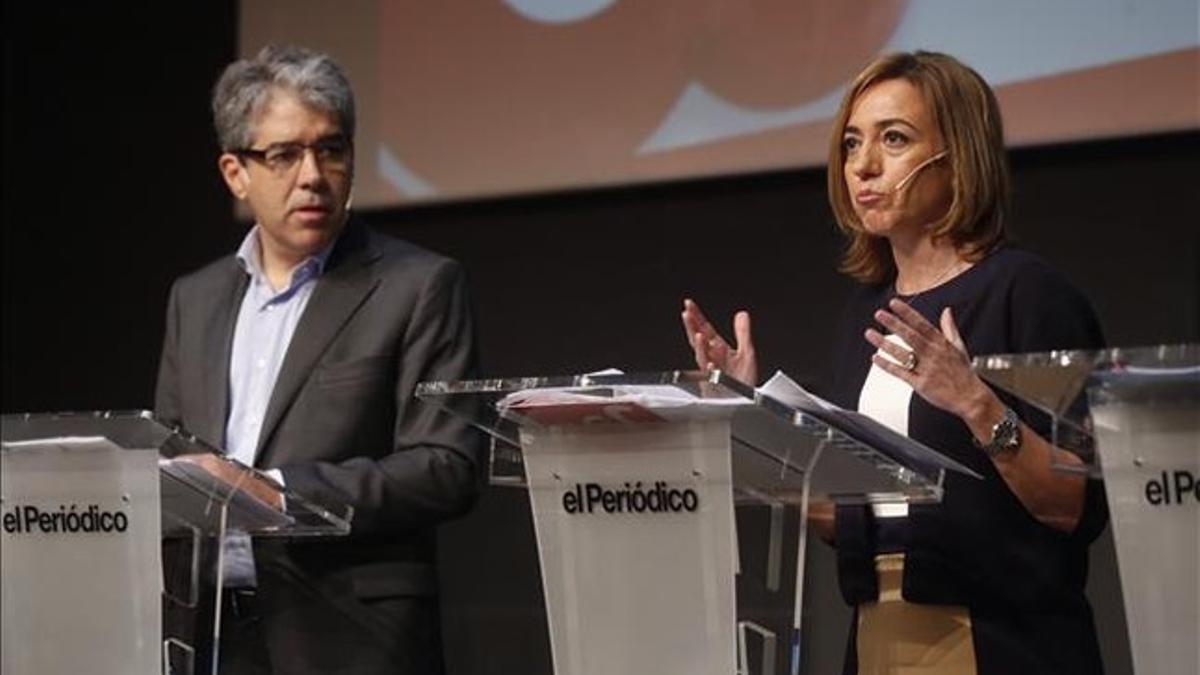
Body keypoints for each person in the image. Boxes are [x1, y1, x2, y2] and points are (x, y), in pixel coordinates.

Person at [682, 51, 1107, 674]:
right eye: (852, 144)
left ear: (957, 154)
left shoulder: (1027, 294)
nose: (864, 166)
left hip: (1000, 642)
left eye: (895, 139)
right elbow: (847, 521)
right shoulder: (867, 313)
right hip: (880, 636)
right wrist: (753, 419)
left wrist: (975, 403)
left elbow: (1077, 503)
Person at [155, 45, 483, 674]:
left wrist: (277, 495)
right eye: (283, 155)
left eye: (330, 149)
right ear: (235, 172)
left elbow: (447, 466)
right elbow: (172, 459)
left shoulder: (418, 285)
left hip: (350, 638)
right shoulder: (193, 300)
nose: (312, 174)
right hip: (212, 636)